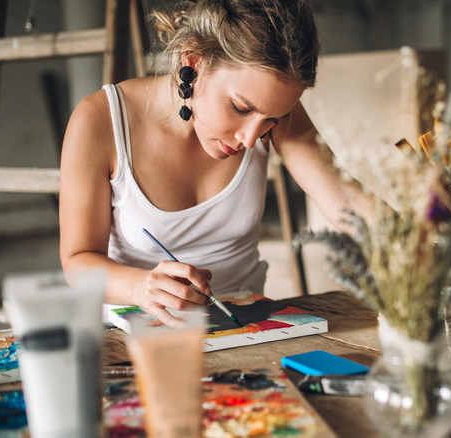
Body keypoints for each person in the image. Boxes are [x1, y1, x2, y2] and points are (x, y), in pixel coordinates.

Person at [58, 0, 371, 327]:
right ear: (192, 60)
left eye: (273, 120)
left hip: (250, 331)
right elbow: (77, 264)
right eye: (240, 108)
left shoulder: (271, 115)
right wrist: (140, 287)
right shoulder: (99, 120)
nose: (252, 139)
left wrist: (418, 234)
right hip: (135, 338)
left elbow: (347, 203)